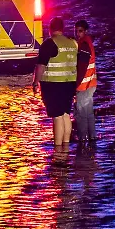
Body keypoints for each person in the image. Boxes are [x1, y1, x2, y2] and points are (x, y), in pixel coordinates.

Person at [33, 17, 78, 148]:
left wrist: (36, 82)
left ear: (50, 29)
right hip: (70, 83)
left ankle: (58, 149)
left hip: (53, 85)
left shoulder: (49, 43)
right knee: (65, 114)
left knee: (57, 116)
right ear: (62, 29)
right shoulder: (73, 43)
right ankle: (66, 145)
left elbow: (40, 66)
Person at [74, 20, 97, 145]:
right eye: (76, 31)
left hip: (83, 86)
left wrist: (75, 86)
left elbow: (82, 69)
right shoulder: (88, 43)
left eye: (80, 31)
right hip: (90, 84)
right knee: (89, 114)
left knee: (82, 115)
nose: (78, 33)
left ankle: (82, 140)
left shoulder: (83, 45)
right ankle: (92, 138)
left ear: (86, 31)